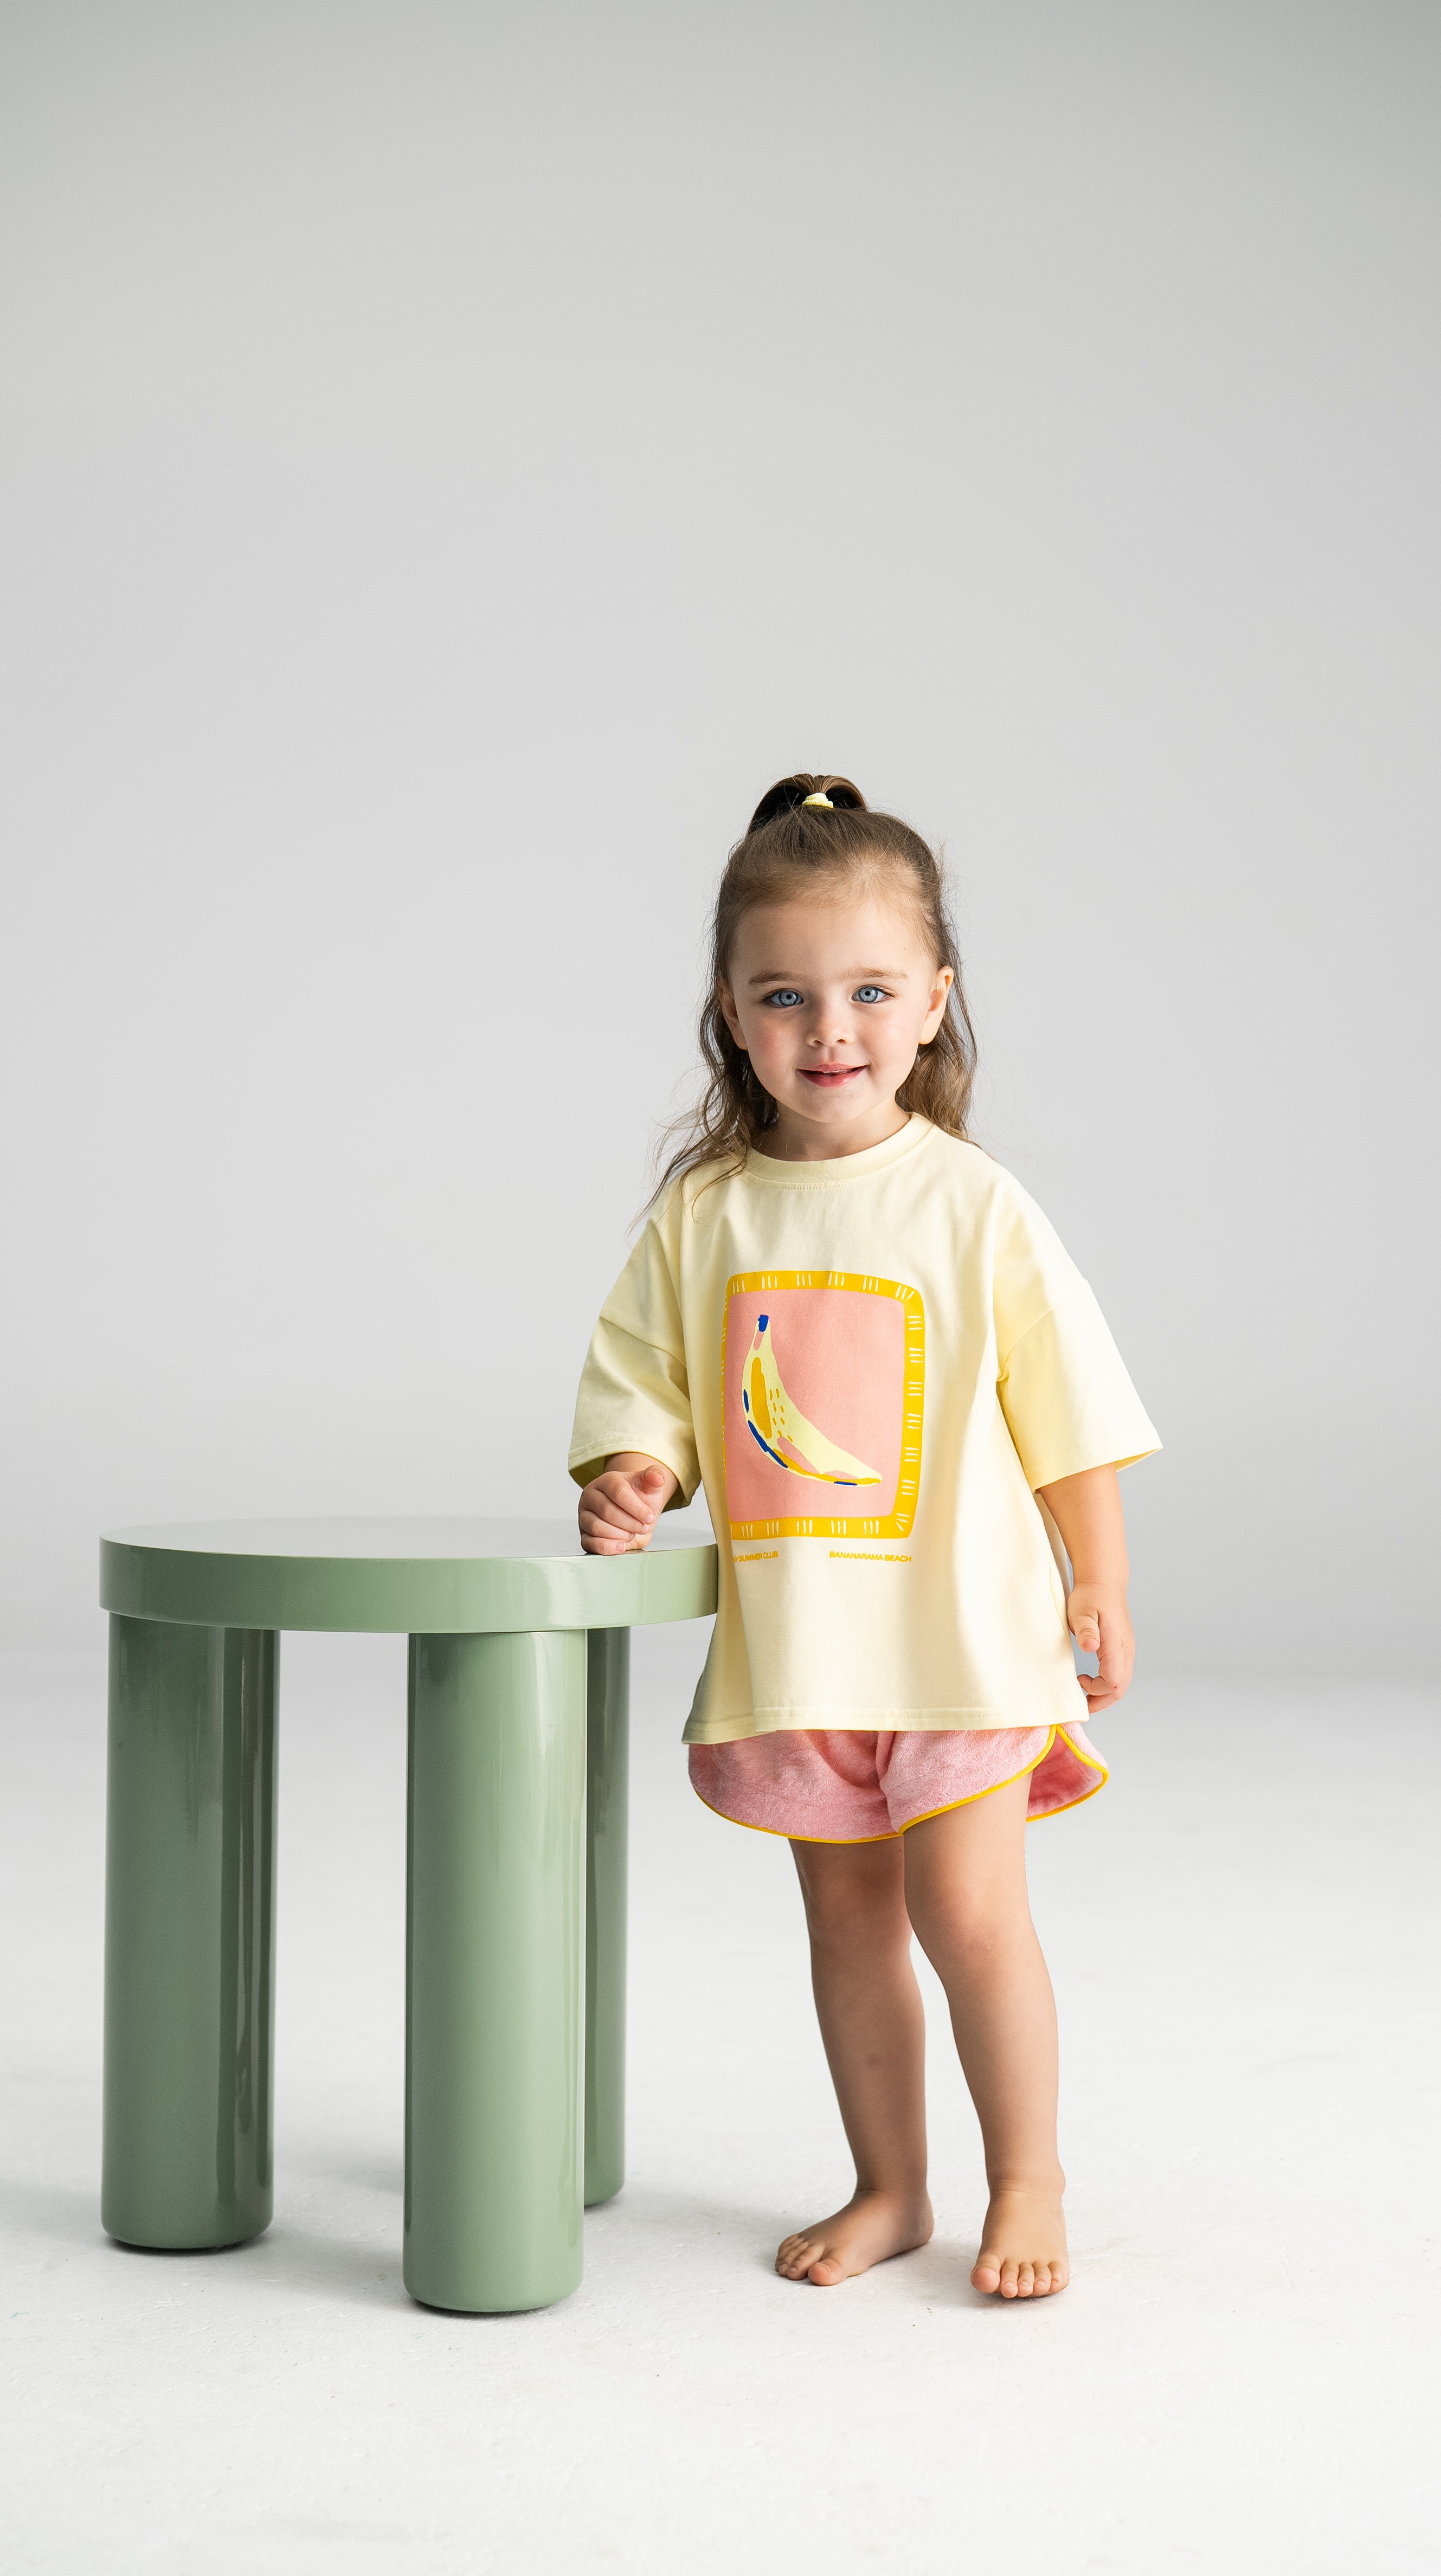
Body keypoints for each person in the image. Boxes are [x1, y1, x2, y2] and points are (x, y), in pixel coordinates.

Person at [569, 774, 1159, 2300]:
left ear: (933, 1002)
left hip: (962, 1636)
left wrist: (1100, 1574)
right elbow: (655, 1384)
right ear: (733, 1014)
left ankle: (1027, 2177)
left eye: (870, 991)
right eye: (788, 995)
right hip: (808, 1651)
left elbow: (1066, 1404)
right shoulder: (705, 1214)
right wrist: (638, 1470)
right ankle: (891, 2185)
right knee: (846, 1922)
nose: (831, 1027)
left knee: (968, 1913)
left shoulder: (971, 1204)